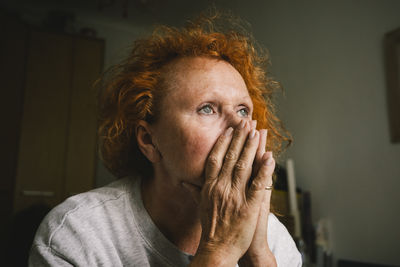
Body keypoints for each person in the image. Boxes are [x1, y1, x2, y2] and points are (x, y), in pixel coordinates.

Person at [29, 12, 301, 267]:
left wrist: (258, 257)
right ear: (149, 140)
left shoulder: (273, 240)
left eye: (243, 110)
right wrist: (220, 250)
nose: (240, 125)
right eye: (207, 108)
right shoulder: (74, 235)